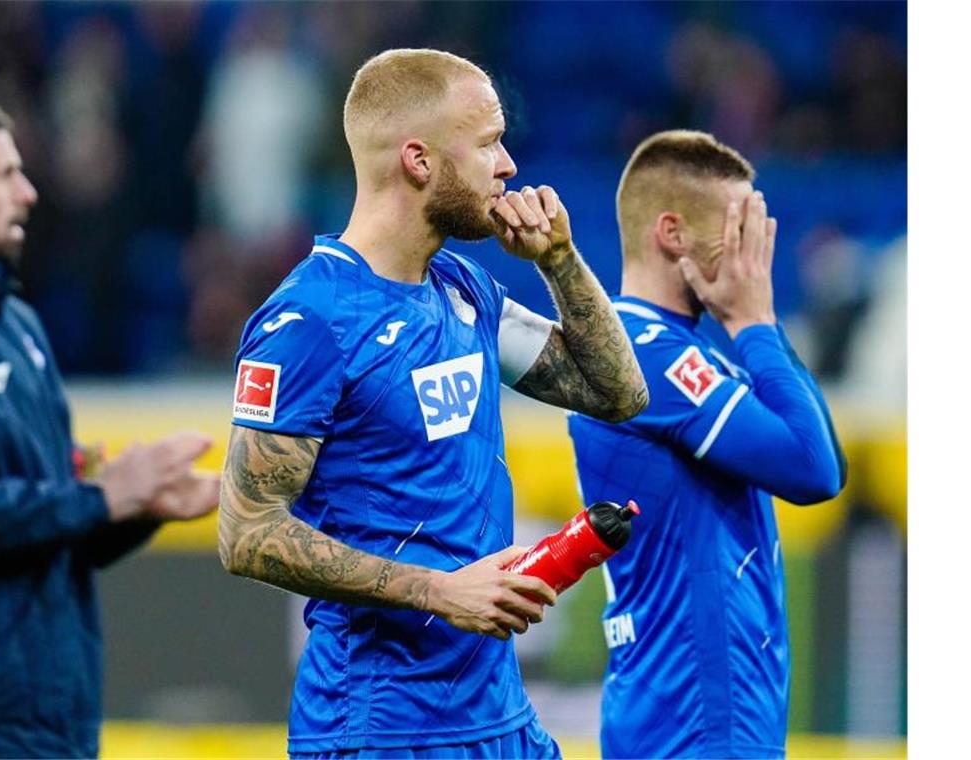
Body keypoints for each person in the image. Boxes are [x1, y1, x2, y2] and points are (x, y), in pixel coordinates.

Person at [217, 48, 648, 758]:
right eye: (487, 145)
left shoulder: (462, 289)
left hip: (499, 717)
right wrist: (437, 591)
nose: (508, 165)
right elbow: (247, 531)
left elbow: (618, 393)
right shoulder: (310, 321)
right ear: (418, 160)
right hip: (379, 725)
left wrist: (559, 260)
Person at [0, 98, 220, 758]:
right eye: (6, 174)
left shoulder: (13, 319)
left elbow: (43, 523)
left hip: (49, 714)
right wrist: (104, 495)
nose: (29, 191)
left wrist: (136, 505)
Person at [566, 130, 847, 759]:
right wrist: (756, 323)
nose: (753, 257)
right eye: (738, 231)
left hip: (696, 716)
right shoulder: (646, 354)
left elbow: (824, 453)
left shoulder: (683, 350)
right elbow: (813, 470)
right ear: (673, 234)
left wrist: (753, 330)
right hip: (693, 718)